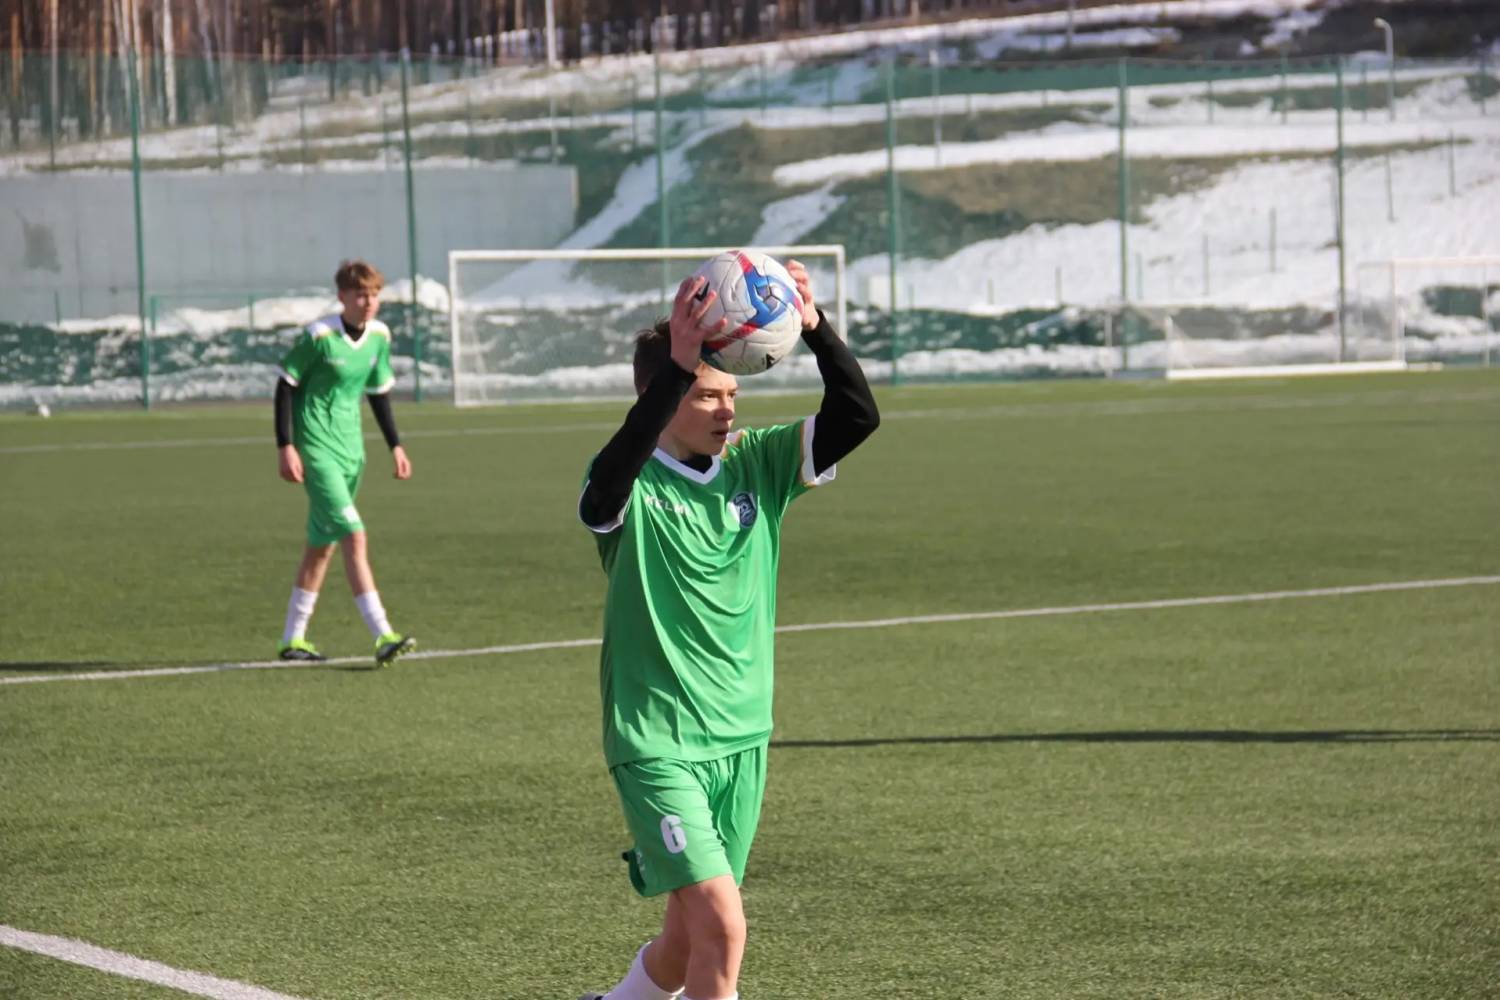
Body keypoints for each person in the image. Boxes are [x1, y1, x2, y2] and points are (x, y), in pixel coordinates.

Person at [577, 260, 879, 1000]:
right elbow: (609, 479)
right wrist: (679, 367)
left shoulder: (758, 464)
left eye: (731, 394)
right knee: (723, 926)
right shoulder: (628, 483)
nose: (725, 411)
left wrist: (815, 328)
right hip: (657, 740)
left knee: (686, 940)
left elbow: (857, 415)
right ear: (663, 394)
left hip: (742, 736)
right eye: (706, 395)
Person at [272, 259, 416, 668]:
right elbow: (285, 385)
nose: (368, 302)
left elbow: (378, 393)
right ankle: (382, 634)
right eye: (360, 295)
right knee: (354, 535)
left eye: (374, 295)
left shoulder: (379, 337)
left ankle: (292, 639)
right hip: (316, 450)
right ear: (342, 296)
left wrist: (396, 446)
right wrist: (286, 446)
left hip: (352, 452)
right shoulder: (319, 337)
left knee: (322, 547)